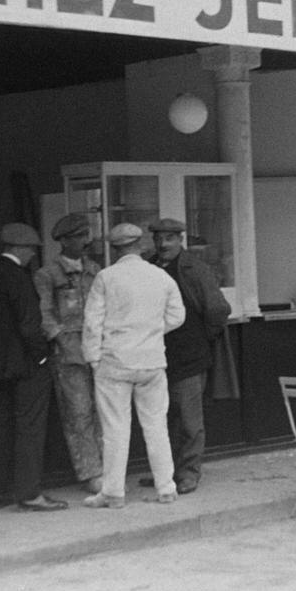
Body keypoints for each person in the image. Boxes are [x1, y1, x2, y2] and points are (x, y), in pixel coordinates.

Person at [81, 223, 184, 509]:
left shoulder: (105, 277)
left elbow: (92, 322)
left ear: (114, 249)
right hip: (152, 361)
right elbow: (178, 316)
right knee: (156, 425)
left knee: (115, 429)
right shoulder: (161, 277)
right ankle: (167, 488)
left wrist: (93, 357)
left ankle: (113, 492)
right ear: (141, 245)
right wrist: (151, 332)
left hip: (115, 361)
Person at [0, 223, 67, 512]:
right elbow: (29, 326)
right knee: (30, 429)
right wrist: (41, 357)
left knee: (1, 426)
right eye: (32, 250)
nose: (32, 256)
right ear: (19, 249)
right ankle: (28, 492)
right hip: (24, 365)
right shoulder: (19, 278)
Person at [142, 218, 231, 495]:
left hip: (189, 356)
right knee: (162, 418)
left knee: (189, 419)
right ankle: (166, 473)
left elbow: (218, 310)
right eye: (158, 239)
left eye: (169, 238)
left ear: (180, 240)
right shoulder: (147, 266)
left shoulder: (196, 269)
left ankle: (189, 473)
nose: (163, 244)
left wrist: (201, 338)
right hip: (156, 355)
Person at [32, 215, 102, 494]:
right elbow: (45, 314)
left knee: (104, 411)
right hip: (69, 353)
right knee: (79, 412)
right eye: (78, 236)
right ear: (63, 241)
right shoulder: (47, 274)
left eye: (86, 235)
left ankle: (109, 467)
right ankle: (90, 471)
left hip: (98, 348)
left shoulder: (94, 270)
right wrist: (60, 338)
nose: (85, 241)